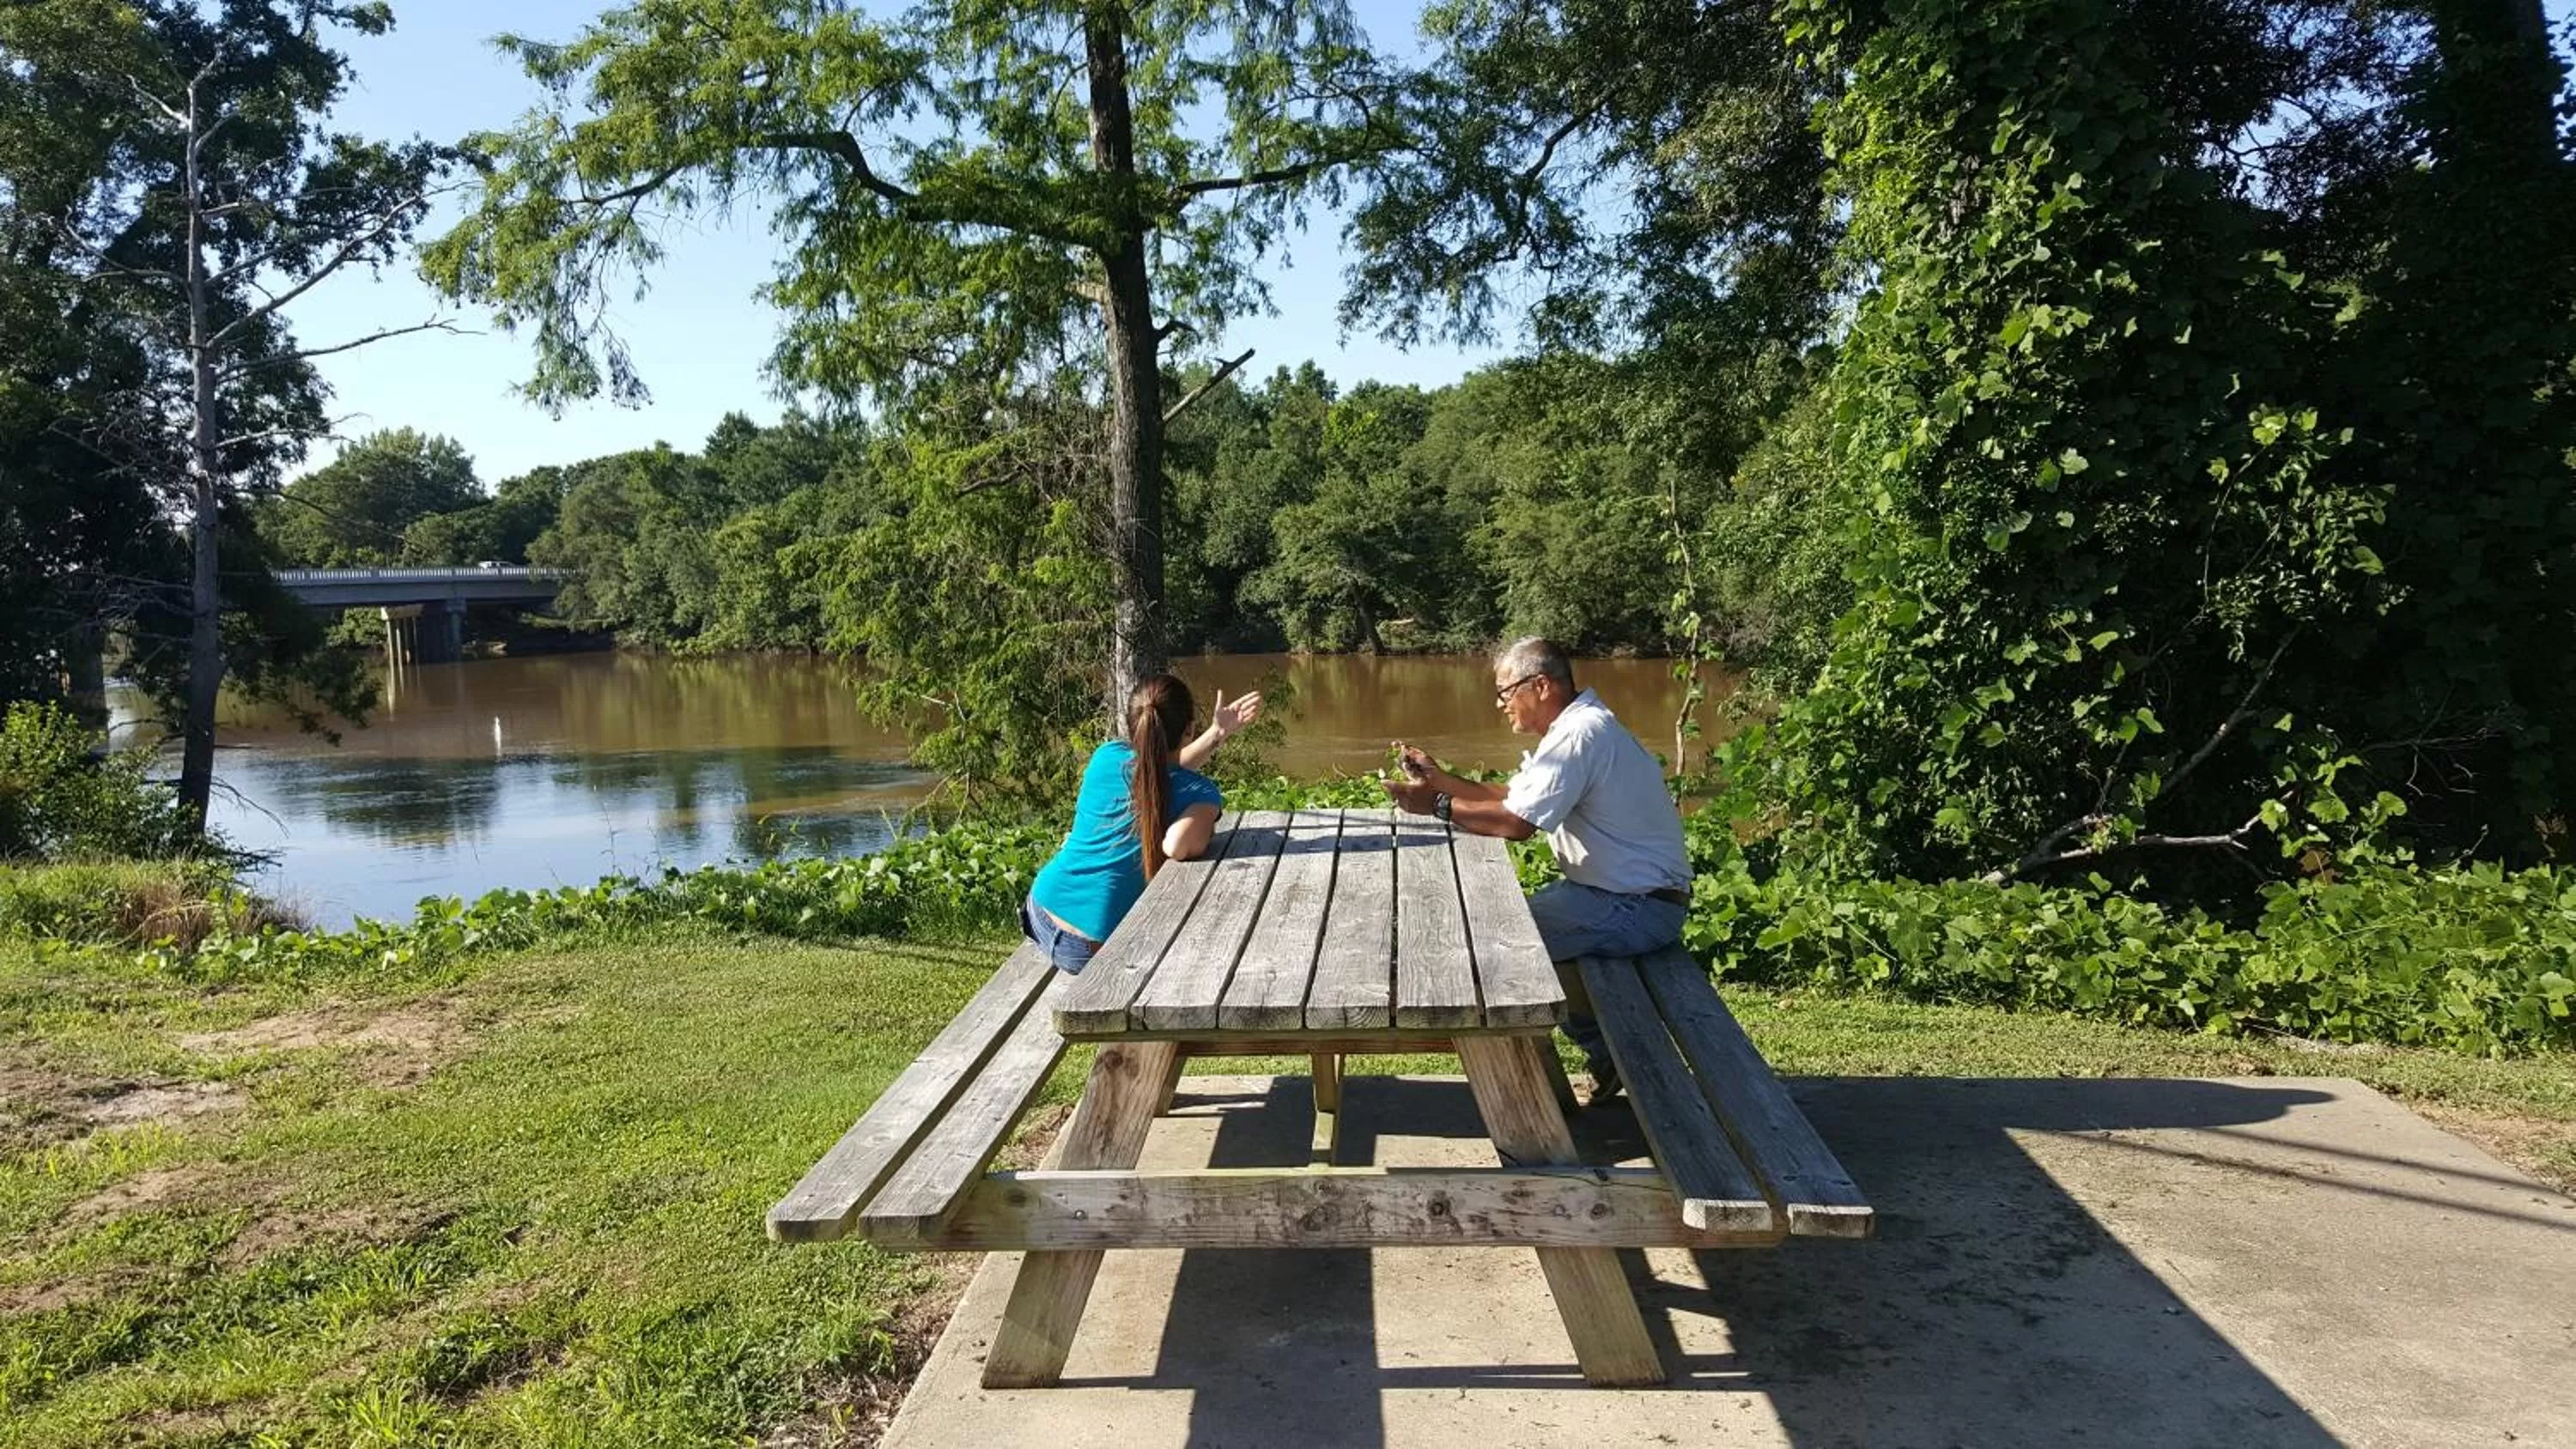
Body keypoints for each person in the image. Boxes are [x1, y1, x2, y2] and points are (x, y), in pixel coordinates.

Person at [1381, 637, 1690, 1104]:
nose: (1501, 704)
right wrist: (1439, 780)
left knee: (1494, 944)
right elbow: (1513, 797)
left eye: (1505, 692)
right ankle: (1604, 1053)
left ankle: (1532, 1090)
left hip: (1634, 907)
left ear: (1540, 685)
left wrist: (1438, 806)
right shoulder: (1576, 730)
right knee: (1500, 932)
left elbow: (1518, 825)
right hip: (1617, 898)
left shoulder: (1579, 735)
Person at [1021, 675, 1262, 973]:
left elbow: (1157, 771)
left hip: (1039, 910)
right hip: (1087, 949)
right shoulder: (1199, 793)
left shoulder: (1106, 756)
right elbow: (1178, 846)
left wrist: (1216, 734)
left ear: (1133, 725)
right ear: (1188, 730)